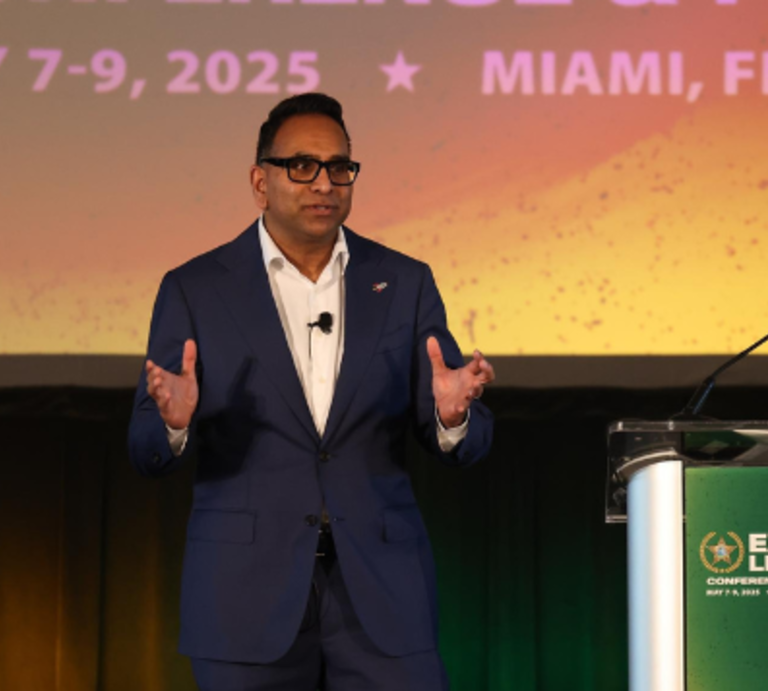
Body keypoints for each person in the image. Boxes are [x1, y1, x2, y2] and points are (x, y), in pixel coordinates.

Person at [127, 92, 495, 691]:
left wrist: (452, 417)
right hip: (245, 595)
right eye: (302, 166)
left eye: (339, 167)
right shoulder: (196, 288)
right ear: (260, 181)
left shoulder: (403, 282)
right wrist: (174, 422)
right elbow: (144, 447)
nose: (324, 183)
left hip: (382, 592)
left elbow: (466, 437)